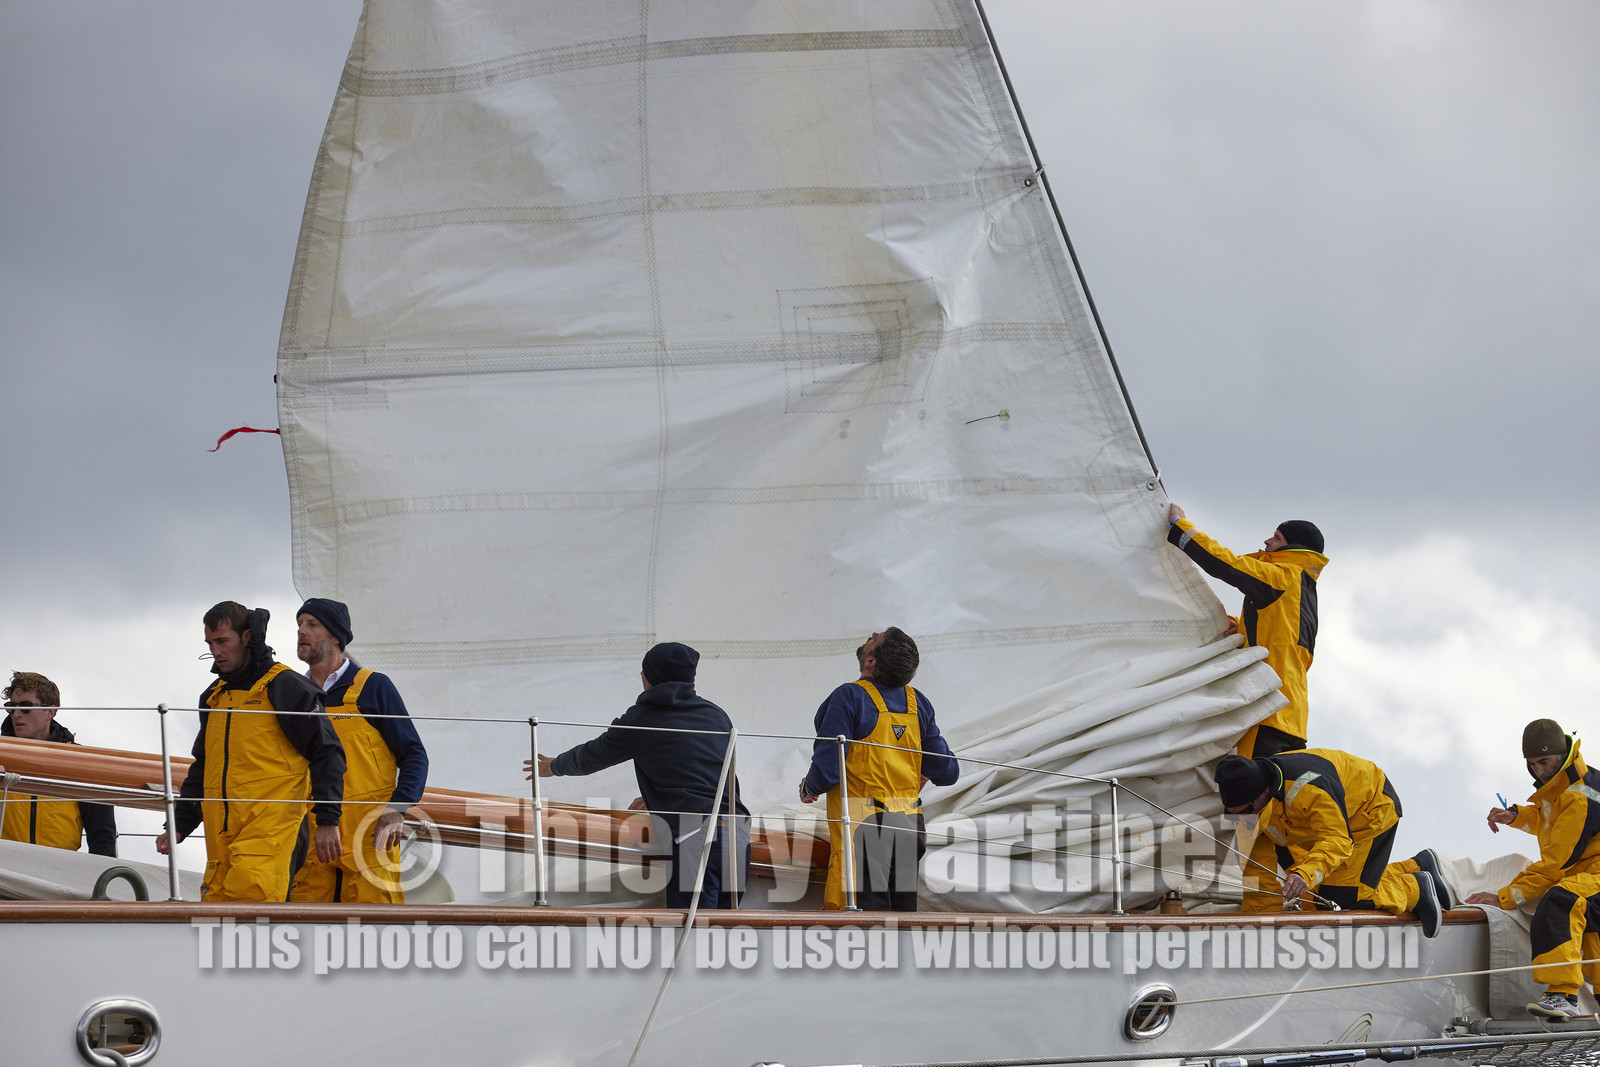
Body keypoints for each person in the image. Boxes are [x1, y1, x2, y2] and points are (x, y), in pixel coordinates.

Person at [528, 642, 749, 909]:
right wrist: (657, 798)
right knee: (724, 936)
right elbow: (713, 775)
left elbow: (594, 755)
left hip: (695, 838)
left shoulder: (643, 719)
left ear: (649, 677)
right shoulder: (716, 716)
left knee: (695, 939)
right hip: (737, 835)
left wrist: (553, 766)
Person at [155, 602, 346, 902]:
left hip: (271, 831)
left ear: (246, 637)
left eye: (222, 641)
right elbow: (204, 766)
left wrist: (328, 819)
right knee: (213, 915)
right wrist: (180, 823)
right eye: (209, 643)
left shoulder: (286, 687)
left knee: (248, 903)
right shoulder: (214, 696)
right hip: (221, 839)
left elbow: (328, 753)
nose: (216, 651)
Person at [799, 628, 959, 911]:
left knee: (865, 923)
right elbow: (947, 773)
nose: (871, 634)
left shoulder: (849, 696)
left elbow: (828, 769)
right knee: (901, 919)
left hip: (864, 825)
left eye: (876, 638)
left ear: (871, 661)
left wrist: (808, 788)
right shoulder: (917, 702)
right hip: (910, 825)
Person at [1215, 749, 1446, 937]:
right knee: (1313, 898)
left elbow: (1337, 839)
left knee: (1342, 898)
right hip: (1308, 830)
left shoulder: (1308, 787)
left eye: (1245, 811)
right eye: (1232, 813)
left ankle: (1416, 887)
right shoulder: (1247, 815)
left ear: (1263, 792)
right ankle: (1416, 865)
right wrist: (1255, 932)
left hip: (1368, 810)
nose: (1242, 819)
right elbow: (1259, 884)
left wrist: (1305, 873)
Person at [288, 598, 429, 904]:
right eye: (299, 624)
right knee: (305, 935)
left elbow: (414, 754)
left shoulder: (373, 687)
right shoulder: (292, 694)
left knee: (375, 935)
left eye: (312, 624)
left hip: (369, 835)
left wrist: (398, 808)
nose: (301, 631)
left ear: (335, 636)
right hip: (310, 839)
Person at [1165, 504, 1327, 759]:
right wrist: (1240, 629)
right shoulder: (1302, 590)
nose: (1267, 541)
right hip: (1291, 718)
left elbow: (1226, 563)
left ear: (1294, 548)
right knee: (1271, 795)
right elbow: (1281, 639)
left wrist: (1180, 527)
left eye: (1276, 538)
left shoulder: (1281, 577)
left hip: (1264, 710)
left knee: (1246, 792)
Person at [1464, 719, 1600, 1018]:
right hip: (1590, 872)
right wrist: (1514, 815)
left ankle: (1562, 995)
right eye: (1532, 764)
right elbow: (1549, 820)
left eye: (1544, 762)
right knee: (1592, 934)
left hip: (1595, 873)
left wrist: (1504, 897)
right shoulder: (1568, 785)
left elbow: (1556, 861)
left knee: (1560, 903)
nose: (1538, 770)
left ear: (1562, 754)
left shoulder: (1580, 795)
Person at [1, 671, 117, 856]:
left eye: (25, 707)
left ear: (50, 711)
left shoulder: (80, 761)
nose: (16, 714)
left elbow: (102, 834)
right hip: (6, 867)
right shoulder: (2, 755)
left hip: (60, 870)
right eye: (11, 707)